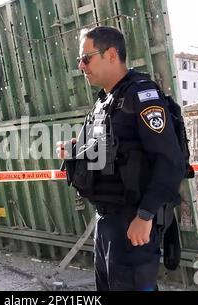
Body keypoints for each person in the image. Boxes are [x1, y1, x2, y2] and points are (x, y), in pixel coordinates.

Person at [57, 26, 185, 291]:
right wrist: (73, 151)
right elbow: (106, 151)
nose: (81, 65)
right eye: (80, 60)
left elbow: (170, 161)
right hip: (106, 223)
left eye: (86, 58)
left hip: (133, 224)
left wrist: (145, 214)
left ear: (111, 54)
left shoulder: (141, 95)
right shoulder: (104, 101)